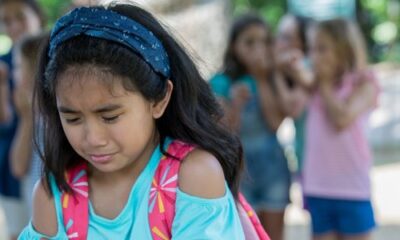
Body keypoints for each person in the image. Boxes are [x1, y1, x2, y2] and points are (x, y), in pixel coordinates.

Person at [18, 3, 246, 239]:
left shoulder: (193, 177)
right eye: (73, 119)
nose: (93, 139)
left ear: (159, 99)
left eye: (110, 117)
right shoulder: (52, 197)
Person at [209, 13, 292, 240]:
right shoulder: (220, 83)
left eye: (264, 42)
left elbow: (275, 124)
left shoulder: (273, 78)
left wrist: (263, 78)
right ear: (234, 45)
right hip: (239, 172)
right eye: (249, 42)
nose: (258, 48)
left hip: (273, 168)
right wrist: (235, 105)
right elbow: (224, 133)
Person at [304, 18, 379, 240]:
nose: (314, 56)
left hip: (352, 188)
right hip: (318, 187)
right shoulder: (313, 85)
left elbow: (342, 119)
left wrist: (325, 84)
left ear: (344, 49)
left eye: (322, 49)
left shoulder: (364, 83)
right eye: (312, 49)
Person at [0, 0, 44, 239]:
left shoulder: (63, 56)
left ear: (37, 15)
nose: (14, 26)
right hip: (14, 169)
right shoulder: (4, 65)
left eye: (20, 17)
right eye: (6, 21)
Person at [10, 33, 48, 215]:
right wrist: (26, 117)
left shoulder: (52, 118)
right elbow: (18, 167)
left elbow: (18, 167)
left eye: (18, 66)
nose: (13, 72)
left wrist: (27, 117)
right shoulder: (35, 115)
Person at [275, 14, 313, 176]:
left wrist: (276, 71)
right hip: (308, 161)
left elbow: (293, 108)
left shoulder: (305, 65)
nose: (278, 42)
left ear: (302, 43)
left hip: (313, 164)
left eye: (286, 37)